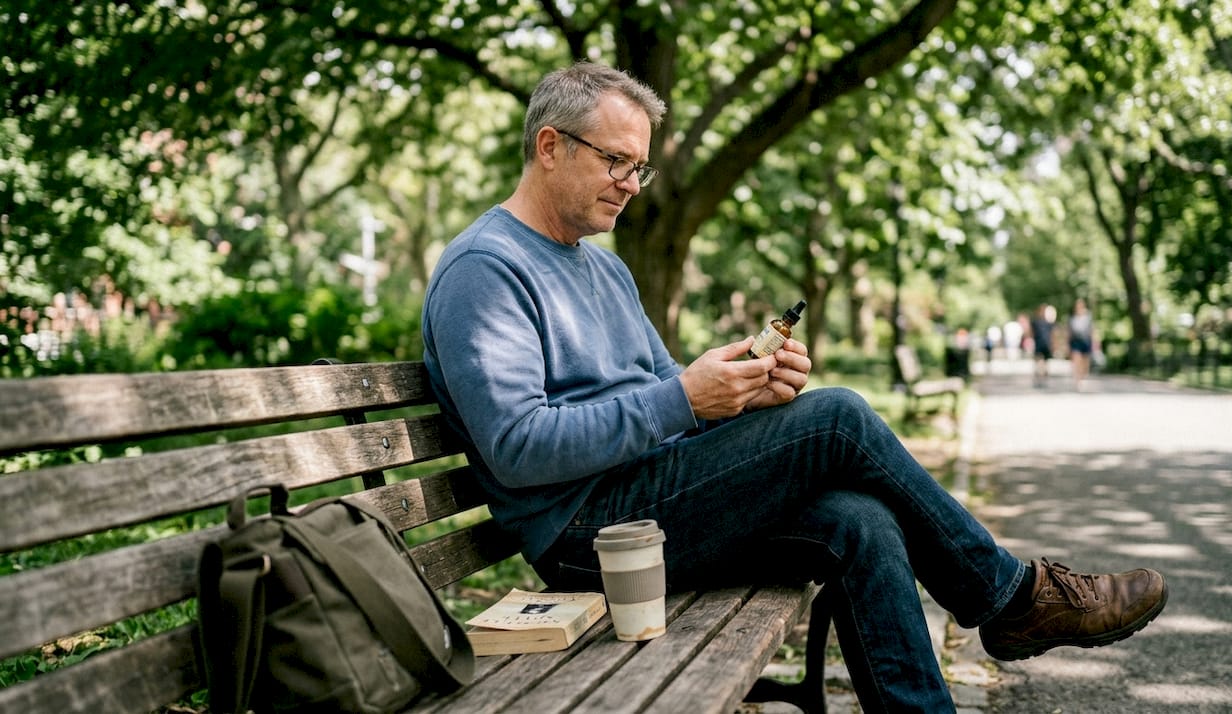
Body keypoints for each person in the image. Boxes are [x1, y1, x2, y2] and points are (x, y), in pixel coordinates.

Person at [420, 62, 1167, 712]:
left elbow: (667, 402)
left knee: (858, 520)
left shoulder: (601, 265)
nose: (631, 184)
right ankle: (1009, 598)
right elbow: (519, 448)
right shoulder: (485, 269)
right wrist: (687, 397)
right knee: (837, 417)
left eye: (638, 168)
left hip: (648, 502)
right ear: (550, 146)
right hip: (589, 537)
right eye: (617, 161)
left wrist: (744, 394)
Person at [1068, 298, 1094, 390]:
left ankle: (1082, 377)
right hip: (1075, 342)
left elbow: (1092, 330)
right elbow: (1070, 332)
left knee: (1085, 363)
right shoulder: (1072, 319)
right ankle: (1078, 380)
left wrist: (1094, 343)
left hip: (1086, 341)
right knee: (1077, 361)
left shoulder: (1088, 317)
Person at [1030, 303, 1056, 388]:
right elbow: (1031, 333)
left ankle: (1042, 377)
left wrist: (1053, 345)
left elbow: (1052, 335)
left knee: (1044, 363)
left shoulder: (1049, 323)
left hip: (1046, 345)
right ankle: (1039, 377)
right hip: (1038, 344)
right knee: (1039, 362)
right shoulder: (1035, 322)